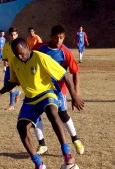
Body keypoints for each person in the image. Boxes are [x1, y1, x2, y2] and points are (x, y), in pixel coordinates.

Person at [0, 37, 84, 169]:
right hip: (30, 99)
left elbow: (65, 75)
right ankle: (39, 164)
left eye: (22, 53)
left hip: (46, 93)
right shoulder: (15, 62)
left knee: (51, 112)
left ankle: (66, 153)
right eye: (16, 54)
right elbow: (13, 81)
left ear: (27, 47)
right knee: (21, 127)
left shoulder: (40, 57)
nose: (20, 56)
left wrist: (74, 96)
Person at [33, 25, 85, 155]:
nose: (59, 40)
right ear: (51, 37)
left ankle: (75, 139)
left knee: (62, 114)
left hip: (58, 89)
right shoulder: (40, 48)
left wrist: (76, 94)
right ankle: (42, 144)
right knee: (36, 113)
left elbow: (75, 72)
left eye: (61, 38)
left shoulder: (65, 52)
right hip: (40, 87)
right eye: (56, 37)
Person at [2, 27, 21, 110]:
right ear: (9, 36)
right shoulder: (6, 45)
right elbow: (5, 58)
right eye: (11, 35)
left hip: (18, 68)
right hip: (9, 68)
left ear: (17, 35)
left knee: (11, 86)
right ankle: (17, 93)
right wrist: (4, 67)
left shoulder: (20, 45)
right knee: (6, 86)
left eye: (14, 35)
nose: (13, 36)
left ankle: (11, 105)